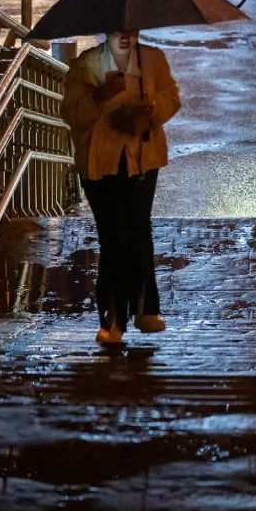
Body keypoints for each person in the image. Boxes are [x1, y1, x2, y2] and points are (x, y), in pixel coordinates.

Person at [62, 30, 181, 344]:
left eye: (130, 29)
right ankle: (112, 319)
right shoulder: (86, 65)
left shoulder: (153, 60)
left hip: (143, 158)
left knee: (139, 230)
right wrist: (102, 96)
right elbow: (72, 115)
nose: (125, 36)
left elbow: (171, 97)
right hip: (100, 166)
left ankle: (145, 309)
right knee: (113, 237)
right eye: (118, 30)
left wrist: (150, 114)